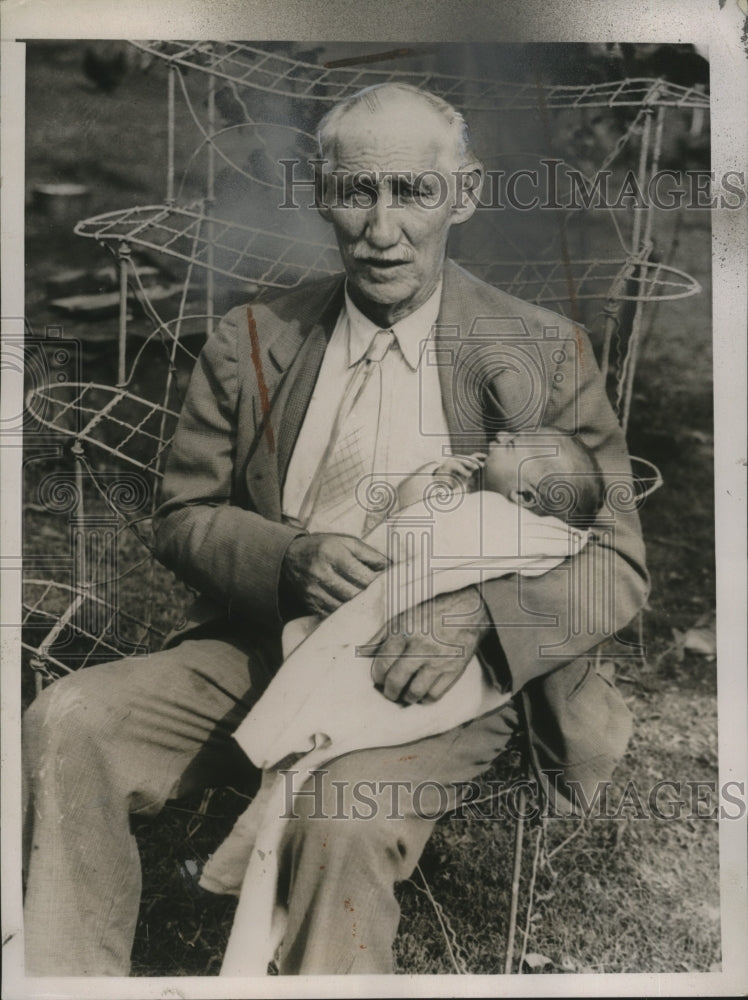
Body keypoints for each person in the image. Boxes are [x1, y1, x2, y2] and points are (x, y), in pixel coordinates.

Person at [22, 81, 648, 976]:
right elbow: (181, 518)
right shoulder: (252, 339)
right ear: (321, 194)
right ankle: (66, 982)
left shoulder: (541, 351)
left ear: (463, 196)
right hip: (270, 648)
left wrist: (471, 616)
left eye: (413, 193)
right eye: (356, 193)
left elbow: (616, 564)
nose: (382, 228)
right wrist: (288, 559)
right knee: (66, 719)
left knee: (343, 815)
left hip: (440, 679)